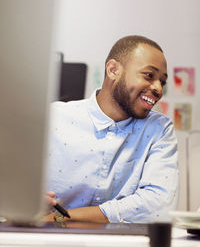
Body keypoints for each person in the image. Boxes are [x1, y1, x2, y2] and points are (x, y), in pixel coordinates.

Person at [47, 35, 179, 223]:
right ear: (113, 70)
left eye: (162, 82)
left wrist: (59, 218)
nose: (158, 88)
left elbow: (159, 208)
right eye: (149, 75)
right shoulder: (53, 118)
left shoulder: (159, 129)